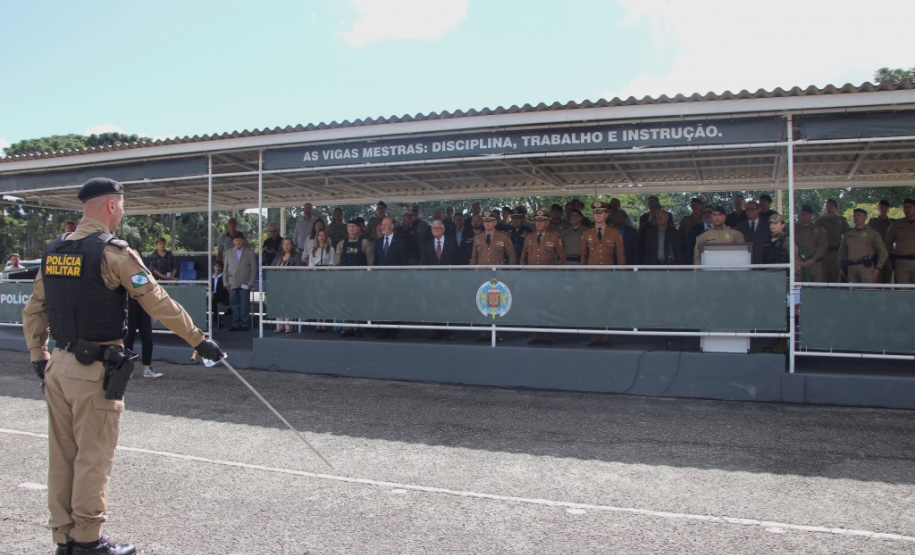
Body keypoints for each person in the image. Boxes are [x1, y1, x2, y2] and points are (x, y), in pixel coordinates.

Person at [22, 177, 224, 555]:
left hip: (58, 368)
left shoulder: (54, 252)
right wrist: (199, 340)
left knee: (62, 455)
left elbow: (35, 308)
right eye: (122, 205)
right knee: (93, 456)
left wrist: (38, 354)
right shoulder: (112, 252)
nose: (122, 212)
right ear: (112, 206)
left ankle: (64, 537)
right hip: (93, 371)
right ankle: (88, 540)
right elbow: (157, 301)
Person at [581, 201, 625, 347]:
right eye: (595, 212)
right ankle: (594, 336)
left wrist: (621, 275)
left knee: (607, 306)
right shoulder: (587, 233)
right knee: (593, 306)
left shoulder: (614, 233)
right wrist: (584, 275)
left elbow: (621, 256)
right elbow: (584, 256)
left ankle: (606, 336)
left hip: (608, 276)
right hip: (592, 276)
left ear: (606, 215)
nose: (598, 215)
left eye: (600, 212)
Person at [521, 210, 566, 345]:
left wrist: (554, 275)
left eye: (542, 221)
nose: (539, 223)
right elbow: (522, 259)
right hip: (532, 279)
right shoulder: (529, 238)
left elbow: (563, 259)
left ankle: (547, 336)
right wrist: (526, 275)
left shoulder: (554, 237)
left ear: (547, 222)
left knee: (547, 306)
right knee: (534, 306)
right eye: (537, 221)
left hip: (548, 279)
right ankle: (535, 335)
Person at [471, 210, 517, 341]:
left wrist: (511, 273)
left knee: (497, 305)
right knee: (482, 302)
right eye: (485, 221)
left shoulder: (503, 237)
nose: (487, 223)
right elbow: (474, 257)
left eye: (490, 221)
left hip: (498, 276)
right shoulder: (477, 237)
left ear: (495, 222)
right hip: (481, 275)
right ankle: (484, 333)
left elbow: (512, 254)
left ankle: (496, 332)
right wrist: (472, 274)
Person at [336, 220, 373, 337]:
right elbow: (337, 262)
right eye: (349, 226)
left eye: (354, 226)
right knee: (346, 302)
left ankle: (357, 326)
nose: (351, 228)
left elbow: (370, 262)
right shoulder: (341, 244)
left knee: (358, 302)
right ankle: (348, 327)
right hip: (345, 278)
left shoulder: (364, 242)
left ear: (359, 228)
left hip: (360, 278)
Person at [839, 208, 888, 284]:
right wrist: (841, 266)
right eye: (854, 216)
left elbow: (883, 251)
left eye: (859, 215)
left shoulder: (873, 233)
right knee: (853, 294)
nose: (856, 218)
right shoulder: (848, 234)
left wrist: (878, 267)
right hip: (851, 268)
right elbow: (842, 251)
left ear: (865, 217)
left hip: (866, 267)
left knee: (867, 293)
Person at [224, 231, 257, 331]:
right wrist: (225, 283)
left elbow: (253, 269)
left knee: (244, 304)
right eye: (236, 240)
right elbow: (225, 268)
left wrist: (251, 283)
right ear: (233, 242)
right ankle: (235, 324)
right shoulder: (228, 253)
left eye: (239, 240)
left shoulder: (249, 253)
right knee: (234, 304)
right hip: (232, 282)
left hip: (245, 282)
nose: (238, 242)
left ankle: (244, 324)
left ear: (243, 241)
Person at [270, 238, 303, 333]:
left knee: (288, 304)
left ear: (292, 245)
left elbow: (299, 270)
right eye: (284, 244)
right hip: (278, 284)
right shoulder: (278, 256)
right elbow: (272, 267)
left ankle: (288, 326)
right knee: (279, 304)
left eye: (288, 244)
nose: (286, 246)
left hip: (290, 284)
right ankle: (279, 326)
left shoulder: (295, 256)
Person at [815, 199, 851, 283]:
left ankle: (835, 295)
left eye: (831, 206)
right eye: (827, 205)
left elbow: (849, 235)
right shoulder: (819, 222)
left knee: (835, 277)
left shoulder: (841, 221)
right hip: (823, 254)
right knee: (823, 277)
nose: (829, 207)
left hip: (836, 253)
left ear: (836, 208)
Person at [124, 297, 160, 378]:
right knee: (128, 340)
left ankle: (147, 368)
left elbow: (151, 292)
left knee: (148, 339)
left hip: (144, 309)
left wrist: (154, 311)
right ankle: (127, 370)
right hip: (130, 308)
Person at [795, 205, 829, 282]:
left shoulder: (819, 230)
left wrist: (813, 259)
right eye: (803, 214)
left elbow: (822, 246)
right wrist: (798, 260)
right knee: (797, 288)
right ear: (800, 215)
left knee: (816, 288)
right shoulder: (794, 229)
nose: (805, 216)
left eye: (807, 214)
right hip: (798, 263)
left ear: (811, 215)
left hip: (814, 263)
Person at [884, 198, 915, 284]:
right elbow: (888, 242)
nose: (907, 209)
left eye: (910, 207)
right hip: (901, 262)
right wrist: (888, 258)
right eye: (905, 207)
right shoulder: (896, 224)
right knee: (903, 291)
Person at [868, 199, 895, 283]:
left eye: (885, 207)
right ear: (878, 208)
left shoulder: (893, 223)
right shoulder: (873, 223)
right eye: (881, 207)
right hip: (876, 254)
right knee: (876, 280)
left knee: (887, 280)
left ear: (888, 209)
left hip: (888, 255)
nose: (883, 209)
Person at [211, 261, 229, 328]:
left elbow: (224, 290)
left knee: (213, 300)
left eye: (219, 267)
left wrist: (214, 294)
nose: (217, 268)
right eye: (216, 266)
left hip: (222, 296)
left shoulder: (223, 277)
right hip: (213, 295)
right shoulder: (212, 277)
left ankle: (217, 320)